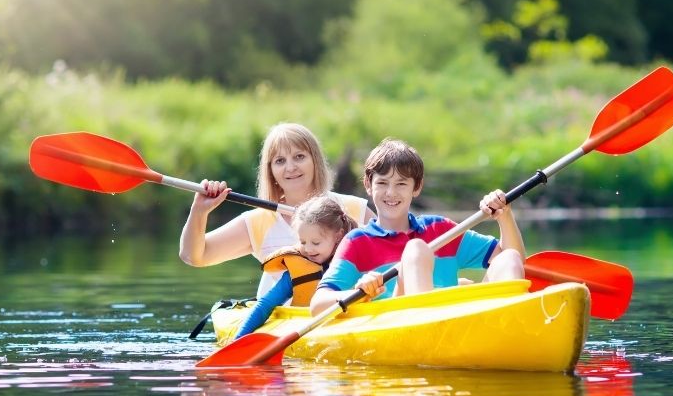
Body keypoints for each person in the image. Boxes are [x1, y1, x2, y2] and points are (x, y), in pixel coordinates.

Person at [310, 138, 525, 315]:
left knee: (509, 258)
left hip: (456, 324)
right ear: (368, 185)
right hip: (402, 326)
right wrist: (359, 291)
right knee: (416, 250)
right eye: (382, 183)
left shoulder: (440, 229)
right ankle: (428, 323)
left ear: (417, 187)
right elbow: (317, 304)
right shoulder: (357, 242)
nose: (391, 193)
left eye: (401, 184)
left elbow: (514, 260)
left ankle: (511, 327)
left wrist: (504, 216)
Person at [179, 123, 373, 296]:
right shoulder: (258, 222)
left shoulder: (353, 209)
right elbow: (193, 256)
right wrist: (199, 212)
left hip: (347, 311)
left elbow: (396, 246)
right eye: (280, 161)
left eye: (299, 157)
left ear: (315, 161)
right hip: (283, 321)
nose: (290, 167)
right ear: (270, 171)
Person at [232, 195, 357, 339]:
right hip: (310, 331)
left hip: (352, 324)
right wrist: (238, 339)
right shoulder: (297, 269)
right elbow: (266, 304)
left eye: (316, 243)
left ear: (338, 236)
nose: (308, 249)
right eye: (303, 242)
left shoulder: (355, 261)